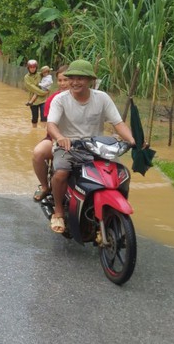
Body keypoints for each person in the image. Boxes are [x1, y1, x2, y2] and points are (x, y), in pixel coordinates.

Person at [46, 59, 135, 233]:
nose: (74, 82)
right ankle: (58, 212)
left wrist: (132, 140)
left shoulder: (102, 98)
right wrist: (60, 138)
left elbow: (118, 123)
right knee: (61, 173)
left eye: (80, 78)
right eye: (72, 78)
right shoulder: (60, 99)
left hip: (97, 146)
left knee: (118, 173)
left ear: (90, 81)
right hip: (69, 146)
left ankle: (110, 209)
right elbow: (51, 124)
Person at [31, 65, 69, 201]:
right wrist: (57, 139)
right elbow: (50, 126)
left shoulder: (87, 97)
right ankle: (45, 186)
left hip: (82, 140)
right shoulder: (53, 99)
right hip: (56, 138)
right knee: (38, 153)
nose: (63, 84)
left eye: (66, 80)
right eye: (60, 80)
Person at [23, 59, 49, 126]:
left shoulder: (40, 74)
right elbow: (33, 88)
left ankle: (43, 133)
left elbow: (48, 80)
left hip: (43, 99)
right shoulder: (26, 77)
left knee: (44, 117)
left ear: (36, 67)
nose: (32, 69)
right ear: (28, 68)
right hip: (33, 100)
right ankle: (34, 131)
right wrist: (43, 92)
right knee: (35, 118)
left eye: (34, 67)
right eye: (30, 67)